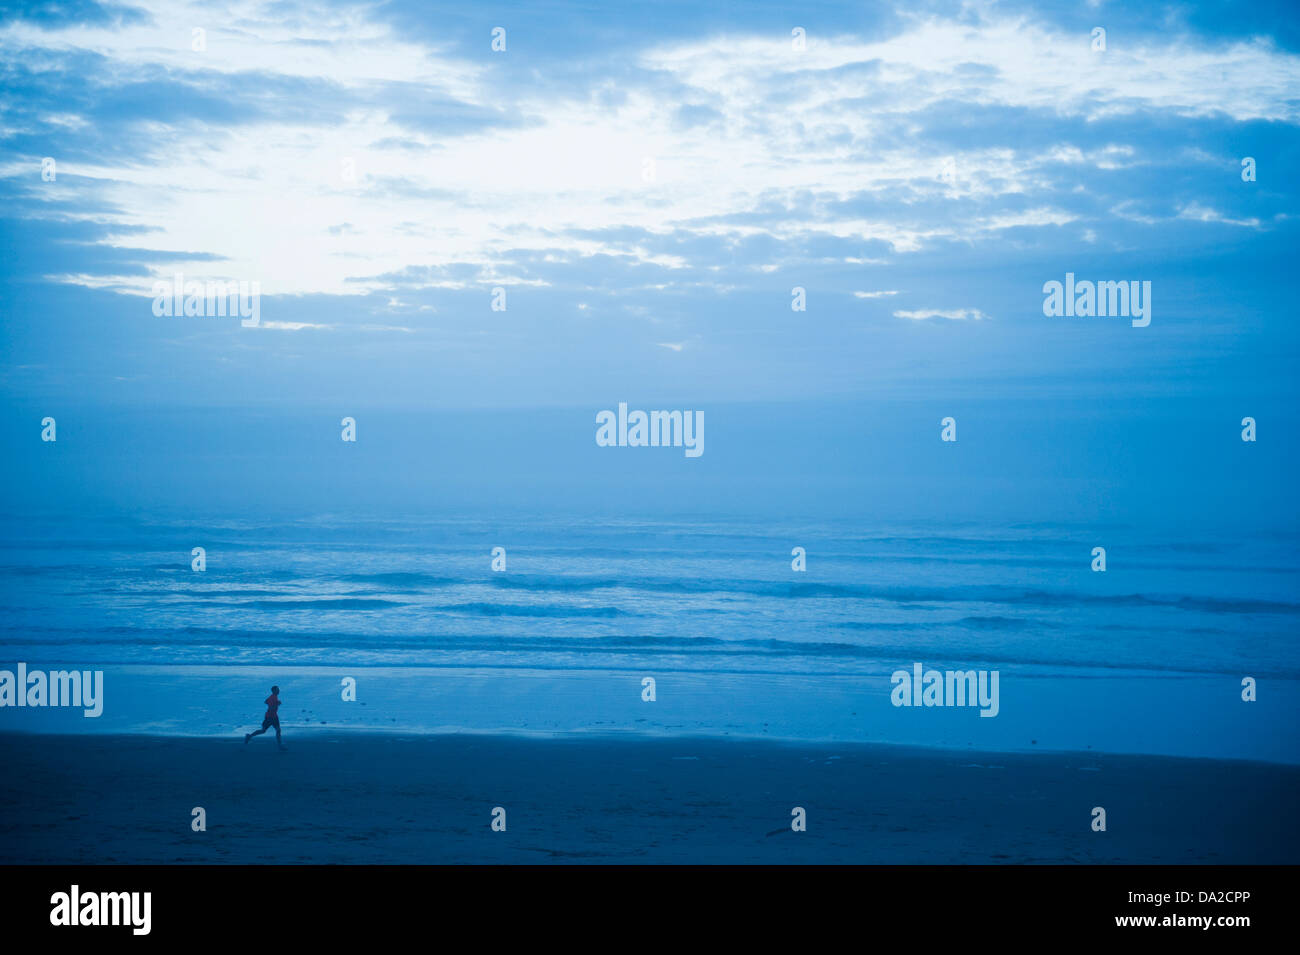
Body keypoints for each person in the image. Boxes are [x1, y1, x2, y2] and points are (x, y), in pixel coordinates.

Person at [244, 685, 285, 749]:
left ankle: (280, 745)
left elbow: (266, 701)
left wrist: (276, 703)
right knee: (263, 731)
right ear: (274, 691)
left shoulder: (274, 697)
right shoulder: (273, 697)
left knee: (278, 730)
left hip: (274, 717)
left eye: (278, 689)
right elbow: (271, 708)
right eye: (277, 690)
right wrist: (277, 704)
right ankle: (249, 736)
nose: (279, 691)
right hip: (269, 717)